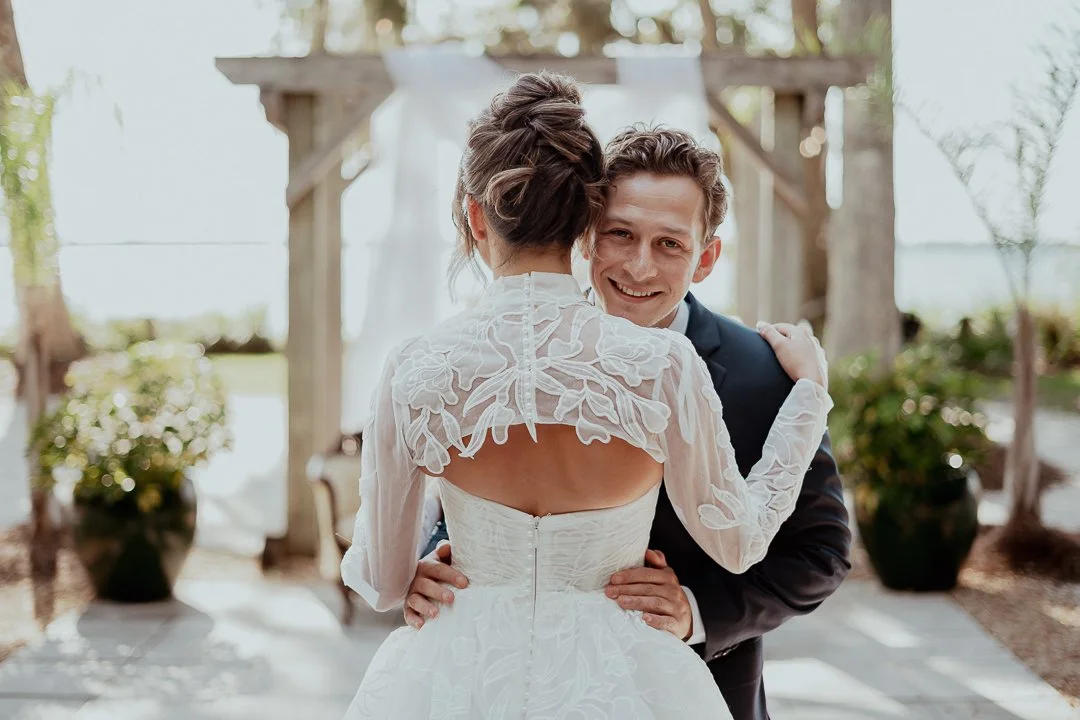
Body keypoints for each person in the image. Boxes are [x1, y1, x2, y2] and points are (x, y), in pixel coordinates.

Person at [340, 73, 832, 720]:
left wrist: (406, 573)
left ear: (475, 216)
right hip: (623, 679)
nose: (638, 265)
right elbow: (739, 544)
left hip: (459, 673)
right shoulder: (663, 366)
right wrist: (810, 399)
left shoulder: (413, 367)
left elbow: (379, 583)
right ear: (586, 224)